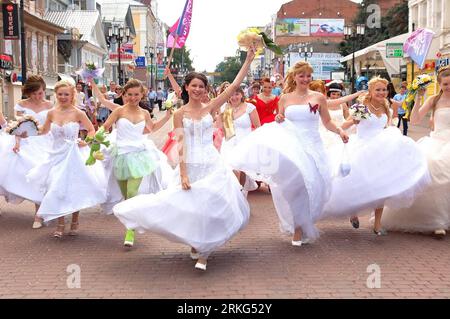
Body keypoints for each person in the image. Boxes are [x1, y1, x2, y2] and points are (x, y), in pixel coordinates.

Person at [113, 47, 256, 271]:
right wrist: (183, 173)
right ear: (187, 88)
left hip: (211, 163)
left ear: (205, 89)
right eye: (194, 85)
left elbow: (235, 85)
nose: (198, 89)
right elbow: (181, 143)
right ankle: (196, 241)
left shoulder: (211, 107)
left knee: (209, 206)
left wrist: (248, 60)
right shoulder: (180, 114)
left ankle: (205, 253)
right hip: (190, 164)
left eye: (201, 86)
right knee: (191, 207)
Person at [229, 61, 349, 246]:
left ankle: (303, 223)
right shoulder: (284, 98)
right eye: (302, 75)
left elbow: (327, 122)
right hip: (292, 146)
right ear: (295, 77)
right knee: (295, 188)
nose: (306, 79)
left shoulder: (318, 97)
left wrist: (340, 131)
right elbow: (281, 118)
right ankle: (298, 229)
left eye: (308, 76)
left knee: (312, 186)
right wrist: (279, 118)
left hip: (313, 146)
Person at [321, 76, 431, 235]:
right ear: (370, 91)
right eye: (378, 89)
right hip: (362, 148)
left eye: (384, 89)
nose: (381, 92)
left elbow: (387, 125)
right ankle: (353, 213)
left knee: (382, 185)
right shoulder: (363, 106)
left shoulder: (386, 105)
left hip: (381, 150)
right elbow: (348, 124)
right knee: (357, 184)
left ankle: (377, 224)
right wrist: (338, 130)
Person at [26, 80, 107, 238]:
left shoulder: (78, 112)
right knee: (56, 188)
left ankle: (75, 220)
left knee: (73, 188)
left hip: (73, 154)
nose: (63, 97)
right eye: (60, 94)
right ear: (56, 95)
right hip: (56, 155)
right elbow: (43, 131)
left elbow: (91, 129)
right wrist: (26, 130)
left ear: (72, 96)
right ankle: (60, 223)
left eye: (66, 94)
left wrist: (87, 141)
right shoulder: (51, 113)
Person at [99, 79, 173, 247]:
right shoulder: (118, 111)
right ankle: (132, 219)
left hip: (139, 156)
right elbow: (105, 126)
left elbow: (152, 128)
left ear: (142, 95)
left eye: (136, 95)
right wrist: (96, 138)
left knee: (133, 192)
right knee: (126, 196)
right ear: (124, 95)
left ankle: (130, 231)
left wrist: (167, 117)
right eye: (129, 95)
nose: (133, 98)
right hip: (121, 156)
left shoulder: (144, 113)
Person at [381, 66, 450, 237]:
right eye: (446, 84)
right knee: (431, 168)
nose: (449, 87)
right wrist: (419, 98)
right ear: (440, 84)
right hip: (438, 141)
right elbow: (416, 119)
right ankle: (437, 221)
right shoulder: (434, 100)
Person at [0, 75, 53, 228]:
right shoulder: (21, 105)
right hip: (27, 141)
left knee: (43, 176)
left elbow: (53, 124)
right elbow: (19, 127)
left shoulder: (50, 105)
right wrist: (17, 142)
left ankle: (39, 215)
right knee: (24, 174)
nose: (38, 96)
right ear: (28, 93)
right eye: (34, 93)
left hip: (45, 141)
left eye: (40, 93)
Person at [217, 87, 261, 195]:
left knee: (243, 172)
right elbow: (221, 128)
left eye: (237, 94)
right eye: (231, 95)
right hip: (229, 143)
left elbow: (258, 126)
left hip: (245, 144)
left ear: (242, 95)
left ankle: (242, 195)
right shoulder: (224, 108)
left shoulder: (249, 107)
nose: (234, 97)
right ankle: (235, 195)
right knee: (232, 170)